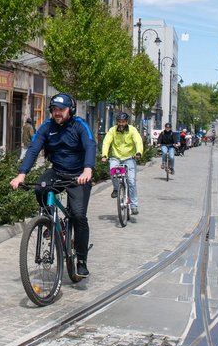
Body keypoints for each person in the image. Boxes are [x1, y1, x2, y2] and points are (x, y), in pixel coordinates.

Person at [10, 93, 96, 279]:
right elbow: (33, 150)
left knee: (79, 216)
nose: (57, 113)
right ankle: (49, 219)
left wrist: (88, 170)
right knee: (40, 187)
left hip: (78, 175)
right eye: (54, 109)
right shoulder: (47, 127)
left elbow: (90, 145)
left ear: (70, 110)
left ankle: (81, 260)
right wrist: (21, 174)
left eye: (61, 110)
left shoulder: (80, 125)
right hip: (57, 172)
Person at [100, 112, 144, 215]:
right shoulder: (112, 130)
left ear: (126, 122)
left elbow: (138, 141)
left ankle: (134, 205)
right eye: (119, 122)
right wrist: (104, 155)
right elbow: (106, 142)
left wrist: (138, 152)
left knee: (131, 181)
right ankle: (116, 188)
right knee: (113, 172)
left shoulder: (132, 130)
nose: (121, 124)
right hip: (116, 157)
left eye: (123, 122)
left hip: (129, 158)